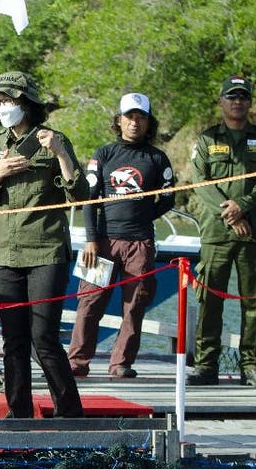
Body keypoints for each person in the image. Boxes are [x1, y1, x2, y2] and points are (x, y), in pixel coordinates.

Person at [0, 71, 86, 418]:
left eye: (11, 100)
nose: (4, 106)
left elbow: (80, 196)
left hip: (46, 250)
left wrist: (62, 155)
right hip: (5, 253)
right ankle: (17, 412)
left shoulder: (53, 140)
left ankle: (70, 412)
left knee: (44, 338)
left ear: (28, 104)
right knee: (13, 340)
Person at [66, 93, 175, 379]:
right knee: (89, 303)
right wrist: (90, 238)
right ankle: (77, 363)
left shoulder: (157, 158)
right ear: (119, 120)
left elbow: (168, 197)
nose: (134, 122)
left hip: (139, 243)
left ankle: (120, 364)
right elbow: (89, 198)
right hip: (100, 242)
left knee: (135, 305)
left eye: (141, 117)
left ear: (149, 122)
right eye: (129, 117)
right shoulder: (103, 154)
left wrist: (141, 215)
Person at [187, 76, 256, 388]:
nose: (237, 101)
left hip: (253, 232)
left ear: (250, 102)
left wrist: (242, 205)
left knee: (254, 301)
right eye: (231, 96)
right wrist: (230, 215)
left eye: (242, 96)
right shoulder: (206, 139)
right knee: (210, 299)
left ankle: (252, 367)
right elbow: (201, 183)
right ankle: (205, 366)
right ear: (221, 101)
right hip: (216, 232)